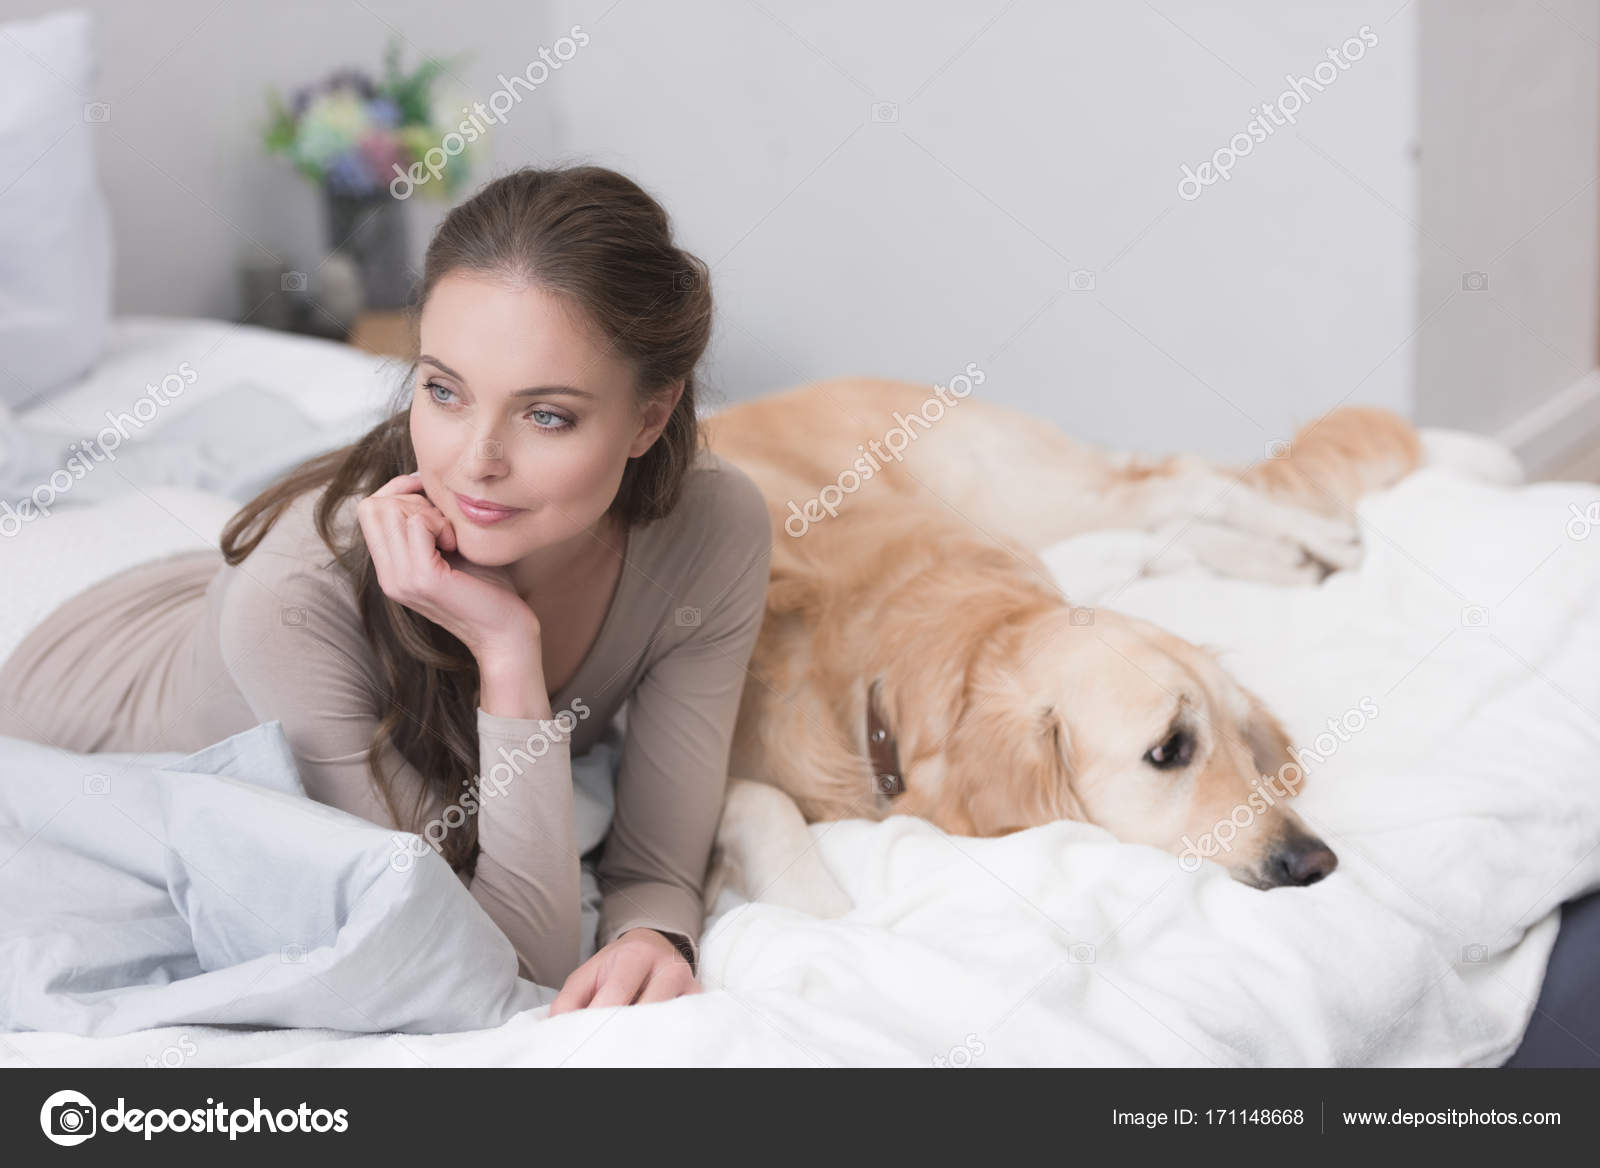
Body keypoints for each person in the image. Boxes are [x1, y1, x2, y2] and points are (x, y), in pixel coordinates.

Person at [0, 164, 773, 1013]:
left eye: (545, 414)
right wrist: (510, 655)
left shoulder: (714, 528)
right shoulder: (294, 604)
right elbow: (508, 962)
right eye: (443, 391)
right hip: (69, 658)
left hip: (203, 583)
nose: (476, 460)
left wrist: (651, 937)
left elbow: (657, 868)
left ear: (651, 418)